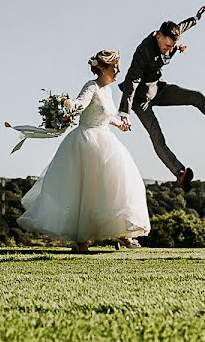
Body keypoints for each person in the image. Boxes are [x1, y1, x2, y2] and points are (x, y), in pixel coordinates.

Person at [17, 50, 150, 253]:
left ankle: (122, 232)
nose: (118, 70)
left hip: (106, 140)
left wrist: (119, 124)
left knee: (115, 187)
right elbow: (81, 103)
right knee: (87, 191)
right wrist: (68, 105)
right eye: (115, 66)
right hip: (87, 141)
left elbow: (105, 115)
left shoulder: (108, 90)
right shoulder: (92, 86)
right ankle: (82, 242)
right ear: (103, 68)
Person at [118, 5, 205, 191]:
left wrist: (196, 18)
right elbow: (132, 80)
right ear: (158, 37)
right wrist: (124, 113)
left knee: (196, 97)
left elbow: (183, 26)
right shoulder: (143, 51)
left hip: (157, 88)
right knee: (157, 135)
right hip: (139, 98)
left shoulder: (169, 36)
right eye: (167, 45)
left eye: (172, 46)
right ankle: (180, 173)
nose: (169, 49)